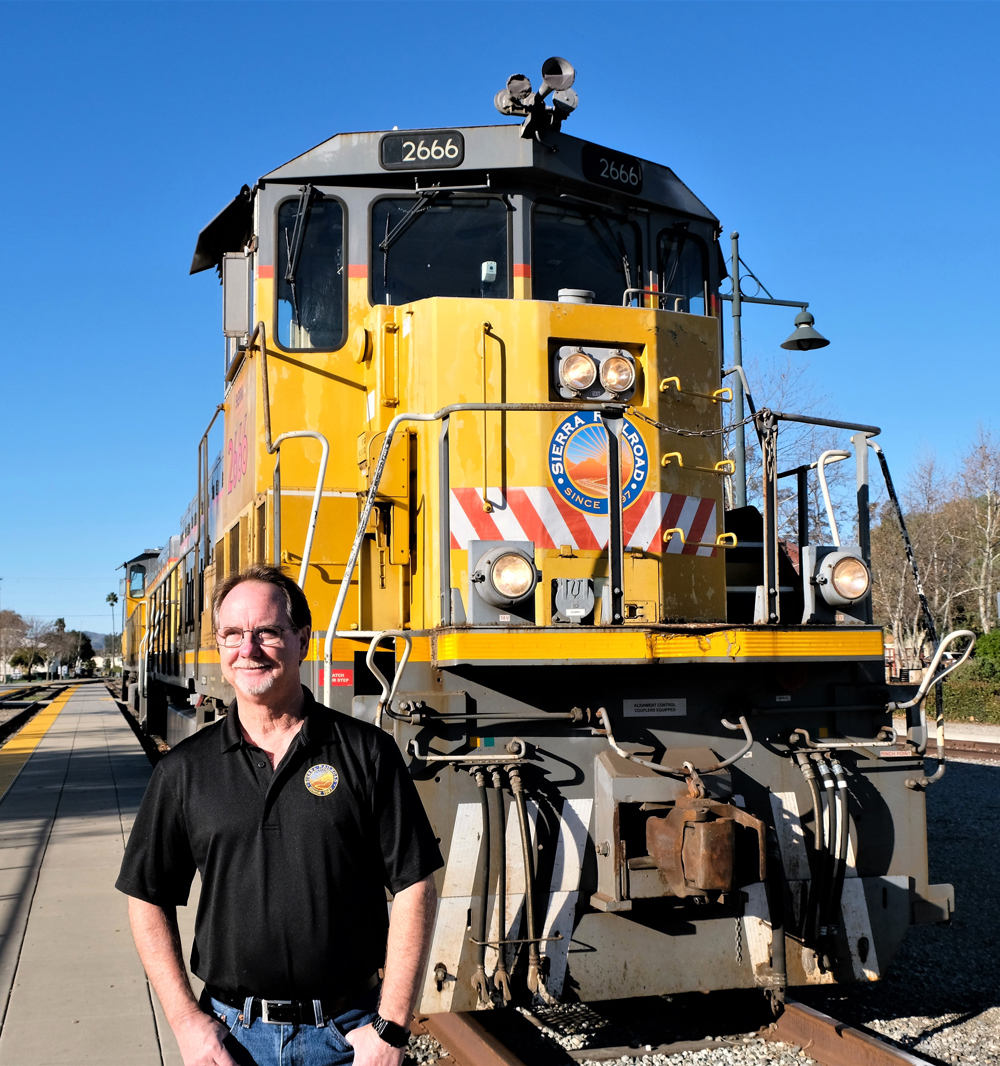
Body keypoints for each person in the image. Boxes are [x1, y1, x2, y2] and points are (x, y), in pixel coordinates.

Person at [117, 564, 442, 1066]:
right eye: (231, 634)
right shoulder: (183, 770)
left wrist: (392, 1029)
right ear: (219, 647)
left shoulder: (367, 752)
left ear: (303, 641)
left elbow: (415, 884)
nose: (247, 649)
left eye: (267, 632)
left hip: (348, 1035)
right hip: (232, 1039)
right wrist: (185, 1023)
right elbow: (146, 897)